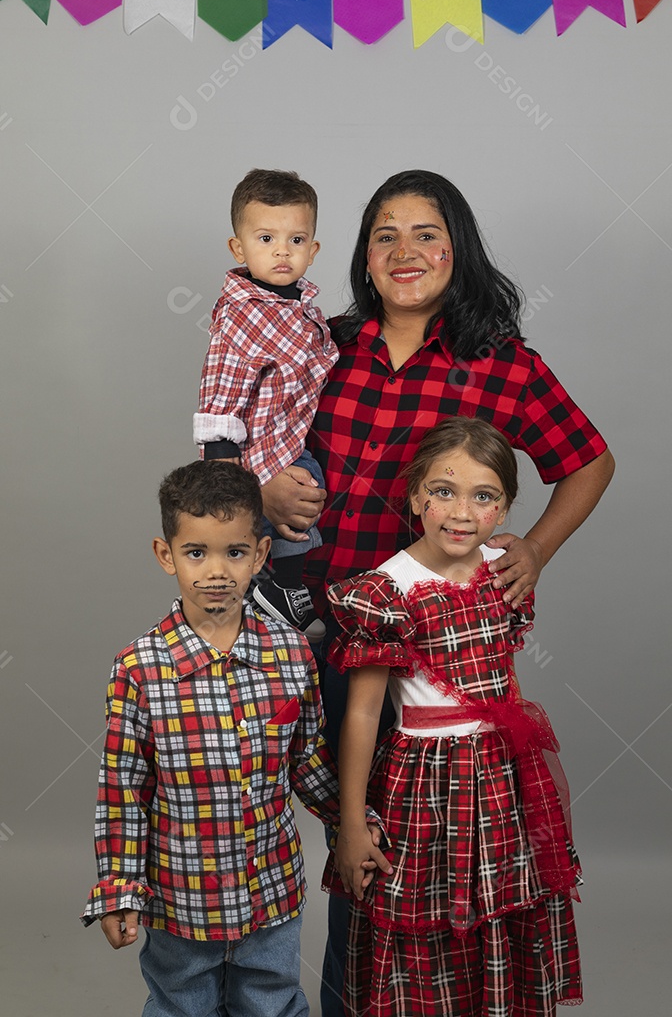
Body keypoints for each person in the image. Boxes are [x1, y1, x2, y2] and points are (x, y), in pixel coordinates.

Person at [259, 169, 615, 1015]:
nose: (405, 251)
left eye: (426, 233)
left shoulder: (501, 362)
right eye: (385, 234)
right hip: (313, 622)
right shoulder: (321, 342)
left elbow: (588, 460)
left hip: (428, 650)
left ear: (458, 248)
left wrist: (533, 546)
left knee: (407, 847)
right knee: (330, 834)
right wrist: (263, 489)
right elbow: (247, 435)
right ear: (362, 255)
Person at [81, 460, 389, 1017]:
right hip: (182, 899)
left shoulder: (292, 654)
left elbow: (308, 762)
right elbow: (123, 791)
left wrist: (354, 824)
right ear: (165, 554)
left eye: (236, 552)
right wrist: (119, 888)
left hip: (271, 892)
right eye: (197, 553)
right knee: (181, 1008)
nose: (216, 571)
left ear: (262, 555)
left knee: (273, 1004)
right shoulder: (139, 668)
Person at [326, 416, 583, 1016]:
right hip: (426, 782)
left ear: (506, 508)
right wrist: (353, 821)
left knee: (501, 909)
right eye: (443, 491)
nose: (461, 511)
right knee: (427, 918)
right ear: (415, 495)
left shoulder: (503, 568)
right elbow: (362, 715)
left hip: (502, 779)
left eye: (483, 496)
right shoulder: (388, 590)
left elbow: (504, 681)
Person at [193, 168, 338, 640]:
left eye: (296, 239)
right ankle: (280, 587)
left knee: (307, 483)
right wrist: (229, 470)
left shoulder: (301, 309)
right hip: (258, 450)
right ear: (239, 249)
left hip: (288, 437)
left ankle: (270, 583)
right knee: (302, 485)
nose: (282, 251)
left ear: (313, 250)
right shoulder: (243, 313)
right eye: (266, 237)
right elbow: (221, 388)